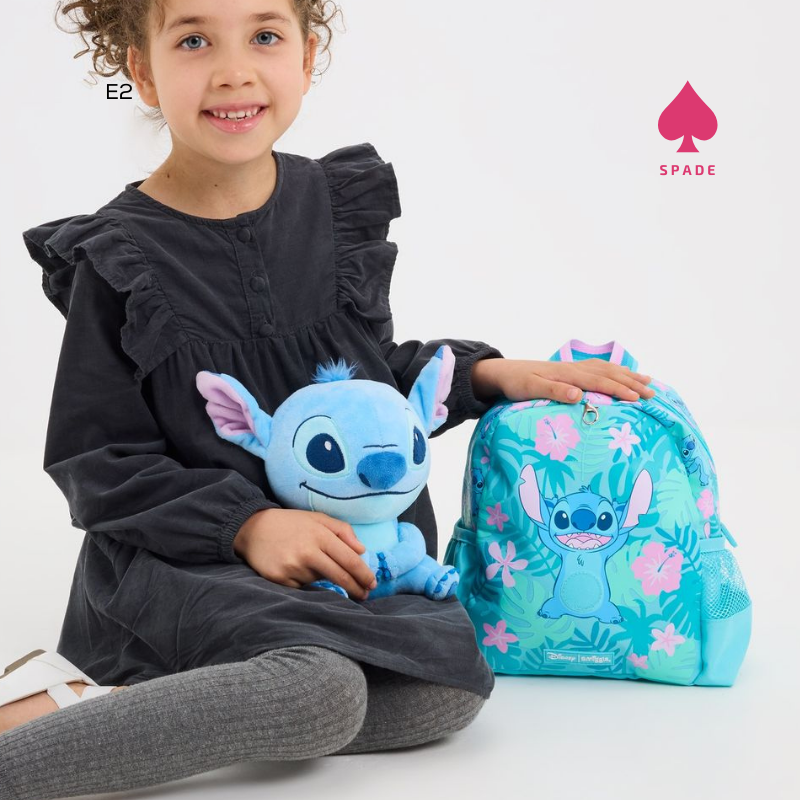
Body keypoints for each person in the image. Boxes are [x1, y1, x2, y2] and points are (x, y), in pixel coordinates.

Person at [0, 0, 655, 797]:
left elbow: (363, 385)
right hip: (189, 563)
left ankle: (116, 709)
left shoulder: (334, 210)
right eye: (195, 40)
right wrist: (247, 525)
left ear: (307, 57)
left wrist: (486, 375)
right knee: (323, 693)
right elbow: (96, 461)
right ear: (142, 70)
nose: (234, 70)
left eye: (265, 36)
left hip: (350, 562)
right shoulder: (120, 257)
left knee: (445, 685)